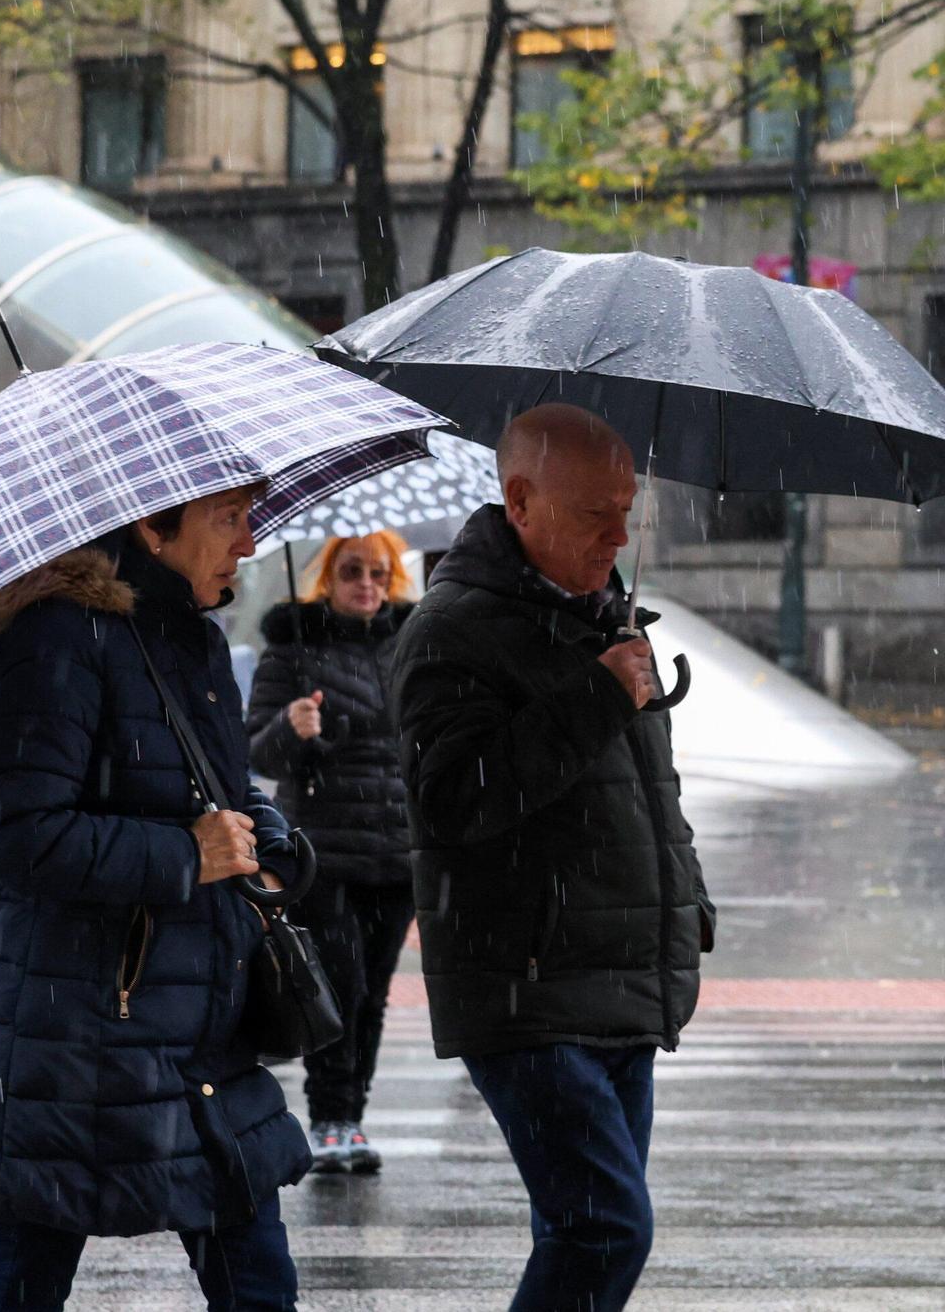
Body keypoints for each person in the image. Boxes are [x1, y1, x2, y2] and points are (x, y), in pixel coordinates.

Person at [0, 485, 309, 1311]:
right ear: (152, 525)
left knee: (259, 1287)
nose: (248, 542)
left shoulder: (193, 643)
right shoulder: (56, 637)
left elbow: (226, 796)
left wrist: (271, 852)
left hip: (204, 1028)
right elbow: (22, 835)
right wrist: (184, 854)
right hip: (76, 1035)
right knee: (25, 1284)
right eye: (229, 518)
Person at [392, 404, 714, 1312]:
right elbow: (452, 802)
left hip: (619, 978)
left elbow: (649, 799)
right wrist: (595, 699)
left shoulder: (606, 620)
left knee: (582, 1229)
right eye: (594, 514)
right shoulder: (450, 630)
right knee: (605, 1228)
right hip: (526, 987)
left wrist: (685, 902)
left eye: (628, 507)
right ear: (520, 501)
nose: (620, 533)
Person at [245, 530, 415, 1176]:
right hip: (324, 852)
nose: (366, 584)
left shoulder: (408, 647)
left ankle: (353, 1116)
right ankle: (329, 1117)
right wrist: (292, 729)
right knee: (336, 984)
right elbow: (256, 753)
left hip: (397, 853)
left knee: (372, 993)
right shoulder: (292, 650)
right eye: (352, 572)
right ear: (328, 578)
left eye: (378, 572)